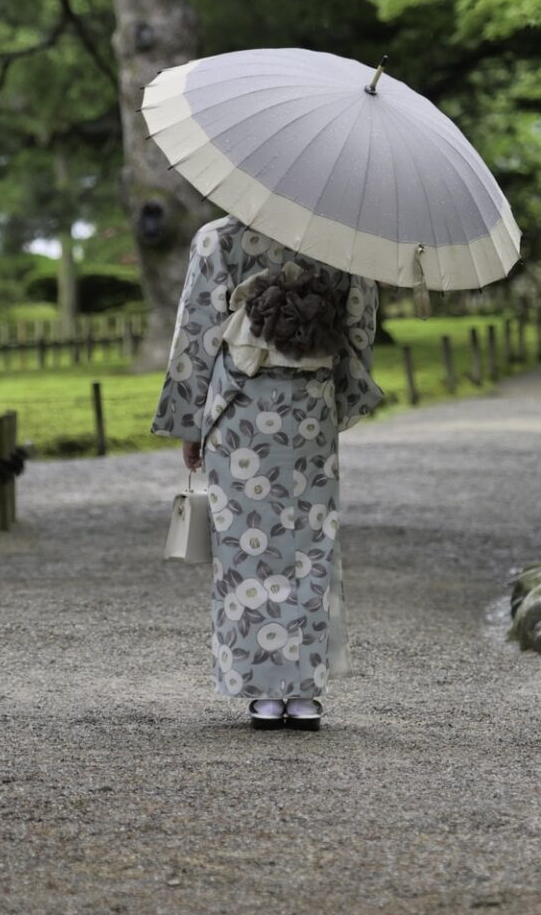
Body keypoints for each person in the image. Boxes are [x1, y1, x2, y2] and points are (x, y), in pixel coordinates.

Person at [152, 215, 383, 730]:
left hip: (239, 410)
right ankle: (303, 692)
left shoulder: (217, 238)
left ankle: (261, 690)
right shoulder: (347, 241)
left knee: (247, 546)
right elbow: (359, 327)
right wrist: (337, 397)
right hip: (309, 409)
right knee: (308, 543)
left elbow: (195, 334)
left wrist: (191, 422)